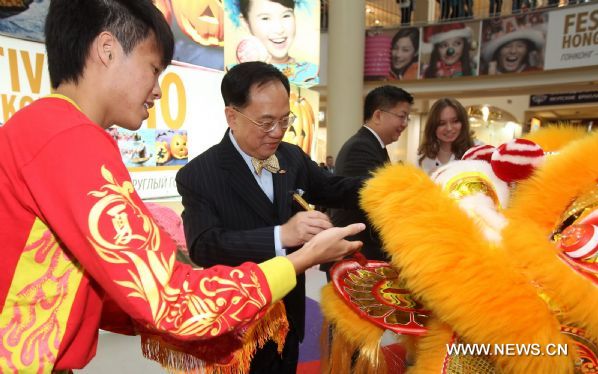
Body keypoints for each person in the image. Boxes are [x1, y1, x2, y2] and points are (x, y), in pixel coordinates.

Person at [0, 1, 365, 372]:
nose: (158, 91)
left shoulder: (45, 128)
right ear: (107, 51)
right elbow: (171, 299)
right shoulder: (70, 139)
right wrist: (302, 259)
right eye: (153, 69)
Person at [176, 61, 365, 373]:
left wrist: (395, 187)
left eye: (284, 120)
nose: (277, 132)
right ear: (232, 116)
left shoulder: (290, 156)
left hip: (288, 318)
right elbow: (204, 245)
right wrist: (282, 236)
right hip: (239, 329)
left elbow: (334, 188)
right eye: (266, 123)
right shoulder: (199, 174)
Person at [322, 86, 414, 274]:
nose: (405, 123)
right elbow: (370, 200)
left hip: (361, 252)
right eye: (402, 116)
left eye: (407, 118)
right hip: (355, 255)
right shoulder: (361, 147)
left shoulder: (373, 146)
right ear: (378, 115)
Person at [227, 0, 319, 87]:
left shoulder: (312, 73)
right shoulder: (232, 74)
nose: (279, 29)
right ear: (245, 23)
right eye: (265, 18)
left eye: (286, 15)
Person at [418, 97, 475, 175]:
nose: (449, 128)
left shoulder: (477, 150)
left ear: (463, 123)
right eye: (442, 123)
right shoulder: (422, 157)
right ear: (433, 127)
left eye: (455, 121)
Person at [481, 17, 545, 75]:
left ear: (526, 50)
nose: (513, 51)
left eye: (520, 46)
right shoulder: (483, 77)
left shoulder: (536, 74)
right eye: (507, 46)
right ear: (497, 51)